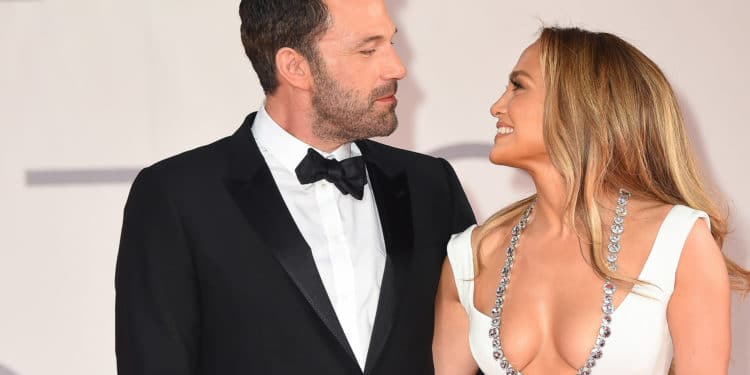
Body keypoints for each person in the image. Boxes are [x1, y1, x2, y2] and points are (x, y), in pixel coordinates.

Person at [115, 0, 475, 374]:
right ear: (295, 67)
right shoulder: (178, 197)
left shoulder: (431, 185)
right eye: (368, 50)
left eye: (391, 44)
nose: (397, 68)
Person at [433, 26, 750, 375]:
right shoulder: (471, 255)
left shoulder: (677, 241)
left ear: (577, 103)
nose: (496, 106)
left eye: (518, 86)